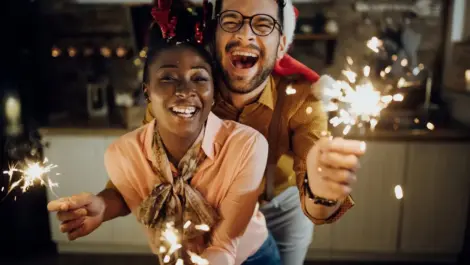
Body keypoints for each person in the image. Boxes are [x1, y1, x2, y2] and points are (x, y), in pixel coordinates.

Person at [49, 1, 366, 265]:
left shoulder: (303, 98)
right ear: (215, 36)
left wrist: (321, 189)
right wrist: (103, 205)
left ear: (282, 44)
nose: (244, 33)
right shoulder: (184, 94)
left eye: (263, 24)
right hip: (215, 209)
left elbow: (316, 195)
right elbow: (145, 170)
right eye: (231, 21)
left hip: (283, 206)